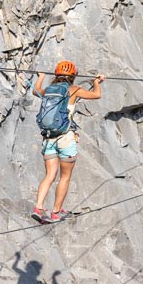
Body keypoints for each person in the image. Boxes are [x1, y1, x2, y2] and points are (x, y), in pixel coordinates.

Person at [30, 60, 102, 223]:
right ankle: (56, 211)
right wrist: (96, 82)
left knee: (49, 175)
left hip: (48, 138)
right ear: (73, 76)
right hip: (65, 137)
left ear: (56, 75)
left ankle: (38, 208)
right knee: (65, 176)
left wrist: (41, 77)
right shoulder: (74, 89)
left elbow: (35, 91)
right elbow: (96, 95)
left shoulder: (48, 91)